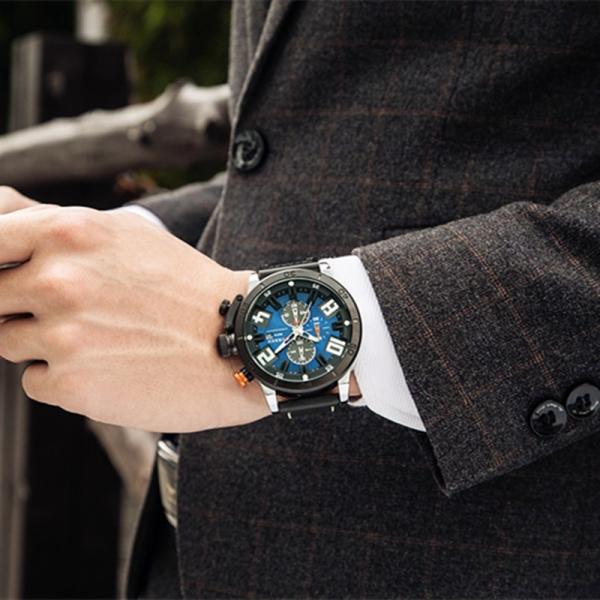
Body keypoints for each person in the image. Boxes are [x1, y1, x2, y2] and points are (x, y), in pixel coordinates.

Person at [1, 1, 600, 597]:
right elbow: (295, 164)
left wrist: (247, 341)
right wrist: (104, 242)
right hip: (192, 553)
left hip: (471, 556)